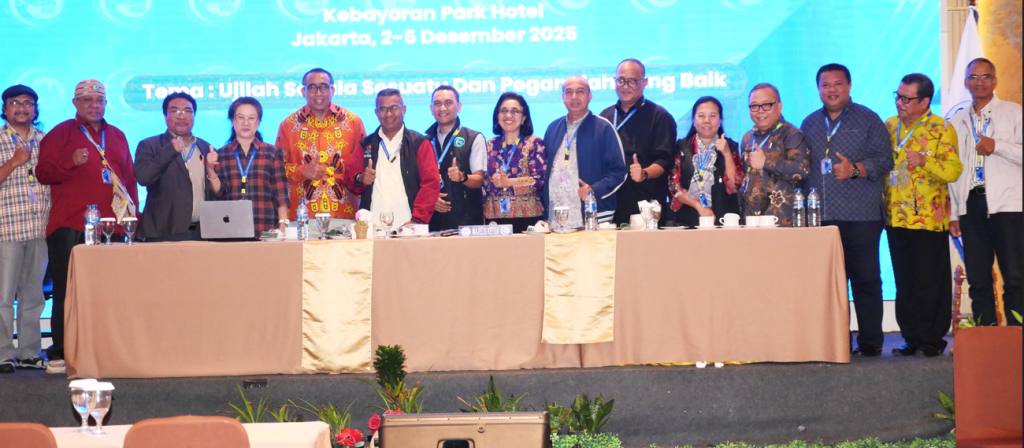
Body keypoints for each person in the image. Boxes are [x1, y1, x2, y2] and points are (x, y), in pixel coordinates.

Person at [36, 80, 139, 374]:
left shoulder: (117, 135)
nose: (94, 105)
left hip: (112, 226)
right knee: (67, 290)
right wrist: (70, 161)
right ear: (75, 103)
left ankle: (108, 351)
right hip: (70, 224)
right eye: (87, 100)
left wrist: (134, 219)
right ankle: (60, 352)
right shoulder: (61, 133)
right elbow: (43, 173)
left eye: (99, 100)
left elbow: (129, 180)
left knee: (110, 292)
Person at [800, 64, 893, 356]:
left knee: (865, 280)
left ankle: (870, 341)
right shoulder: (809, 123)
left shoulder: (868, 119)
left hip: (861, 216)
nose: (832, 90)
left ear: (849, 86)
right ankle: (835, 340)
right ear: (818, 89)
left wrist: (855, 170)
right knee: (828, 285)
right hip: (821, 218)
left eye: (838, 83)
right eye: (825, 85)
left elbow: (885, 160)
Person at [885, 73, 963, 357]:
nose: (899, 102)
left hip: (928, 218)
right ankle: (911, 337)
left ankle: (932, 339)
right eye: (898, 96)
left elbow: (953, 170)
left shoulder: (941, 128)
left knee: (928, 281)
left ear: (925, 101)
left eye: (906, 98)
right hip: (895, 216)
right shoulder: (889, 125)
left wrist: (924, 161)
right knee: (904, 280)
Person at [948, 58, 1022, 327]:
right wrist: (955, 212)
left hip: (1008, 206)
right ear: (966, 82)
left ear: (995, 81)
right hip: (970, 204)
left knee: (1015, 277)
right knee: (978, 279)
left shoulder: (1014, 112)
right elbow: (954, 170)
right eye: (974, 77)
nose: (980, 82)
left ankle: (1017, 337)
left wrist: (997, 146)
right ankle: (986, 336)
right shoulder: (957, 120)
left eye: (986, 76)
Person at [0, 85, 50, 373]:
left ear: (35, 108)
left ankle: (29, 352)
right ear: (5, 109)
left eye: (27, 103)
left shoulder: (46, 140)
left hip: (39, 227)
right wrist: (15, 161)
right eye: (14, 103)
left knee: (33, 296)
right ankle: (3, 353)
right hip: (6, 228)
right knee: (3, 297)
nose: (21, 108)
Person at [276, 68, 366, 228]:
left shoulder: (352, 122)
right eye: (312, 87)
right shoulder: (288, 125)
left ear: (333, 90)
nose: (318, 93)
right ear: (303, 92)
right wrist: (302, 171)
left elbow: (363, 166)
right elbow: (277, 170)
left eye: (324, 87)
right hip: (302, 217)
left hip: (345, 215)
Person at [342, 89, 439, 228]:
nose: (388, 114)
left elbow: (431, 185)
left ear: (403, 109)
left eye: (394, 108)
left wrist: (418, 220)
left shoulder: (420, 143)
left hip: (409, 227)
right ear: (376, 112)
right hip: (372, 228)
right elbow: (349, 180)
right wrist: (360, 179)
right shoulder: (365, 145)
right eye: (383, 109)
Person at [543, 76, 626, 229]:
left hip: (592, 218)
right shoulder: (553, 128)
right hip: (556, 221)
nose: (574, 97)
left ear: (590, 96)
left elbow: (619, 172)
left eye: (580, 91)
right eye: (569, 92)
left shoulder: (603, 128)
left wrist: (594, 190)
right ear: (563, 97)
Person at [600, 59, 676, 226]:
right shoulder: (604, 117)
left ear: (645, 82)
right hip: (610, 205)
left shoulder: (660, 116)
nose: (625, 86)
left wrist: (644, 173)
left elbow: (665, 160)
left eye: (632, 81)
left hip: (646, 206)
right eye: (621, 80)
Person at [134, 92, 214, 242]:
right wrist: (169, 150)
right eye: (175, 111)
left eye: (187, 111)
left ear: (194, 115)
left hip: (201, 233)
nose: (182, 116)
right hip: (163, 233)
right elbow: (144, 178)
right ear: (165, 116)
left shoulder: (206, 147)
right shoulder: (149, 145)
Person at [206, 97, 289, 236]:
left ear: (258, 122)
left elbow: (280, 194)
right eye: (240, 117)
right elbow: (220, 193)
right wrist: (210, 169)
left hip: (266, 227)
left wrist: (283, 225)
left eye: (251, 118)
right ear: (232, 121)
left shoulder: (272, 153)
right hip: (232, 228)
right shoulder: (221, 154)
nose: (246, 123)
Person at [739, 83, 811, 226]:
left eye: (766, 105)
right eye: (754, 106)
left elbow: (803, 171)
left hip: (783, 221)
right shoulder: (747, 138)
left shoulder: (792, 135)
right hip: (750, 220)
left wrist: (766, 162)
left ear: (779, 106)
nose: (760, 111)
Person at [668, 96, 743, 226]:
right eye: (701, 116)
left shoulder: (731, 147)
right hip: (688, 220)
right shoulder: (681, 147)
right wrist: (698, 205)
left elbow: (735, 185)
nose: (707, 120)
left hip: (725, 220)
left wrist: (726, 154)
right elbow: (673, 186)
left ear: (720, 120)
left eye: (713, 116)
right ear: (693, 120)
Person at [423, 85, 486, 231]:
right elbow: (417, 182)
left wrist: (462, 177)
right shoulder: (423, 142)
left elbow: (479, 180)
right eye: (437, 103)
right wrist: (430, 199)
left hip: (466, 221)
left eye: (448, 102)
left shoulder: (474, 138)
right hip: (432, 222)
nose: (442, 108)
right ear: (431, 109)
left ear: (459, 106)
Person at [481, 92, 546, 233]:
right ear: (497, 116)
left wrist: (510, 182)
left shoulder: (534, 143)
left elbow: (540, 180)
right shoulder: (490, 145)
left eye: (515, 111)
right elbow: (483, 185)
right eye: (504, 111)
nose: (508, 115)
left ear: (523, 118)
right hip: (494, 217)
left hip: (528, 218)